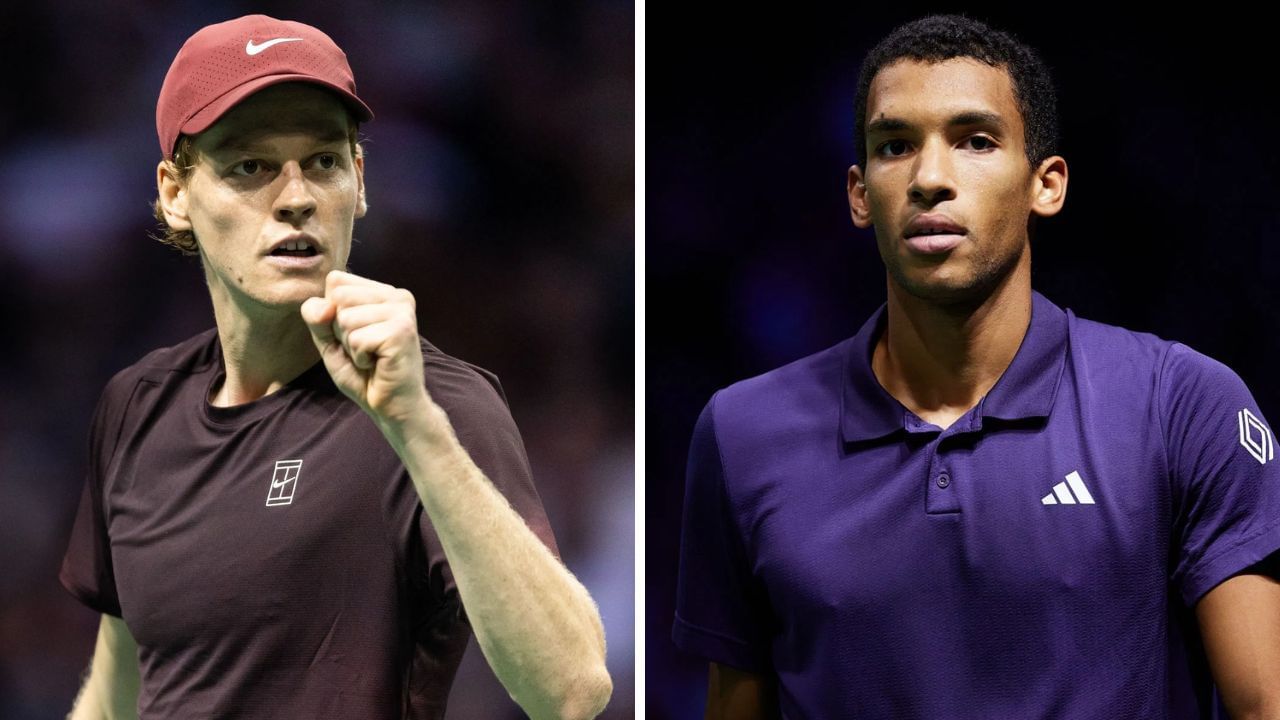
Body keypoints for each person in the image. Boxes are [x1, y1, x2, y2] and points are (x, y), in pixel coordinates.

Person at [672, 14, 1280, 719]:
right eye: (895, 146)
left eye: (976, 142)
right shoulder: (742, 433)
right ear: (859, 193)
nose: (931, 178)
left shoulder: (1181, 406)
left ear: (1045, 185)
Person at [58, 14, 611, 720]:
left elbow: (573, 689)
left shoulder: (439, 405)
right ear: (175, 193)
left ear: (358, 179)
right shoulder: (137, 405)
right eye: (250, 166)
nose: (295, 198)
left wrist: (415, 426)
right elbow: (115, 696)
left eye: (322, 161)